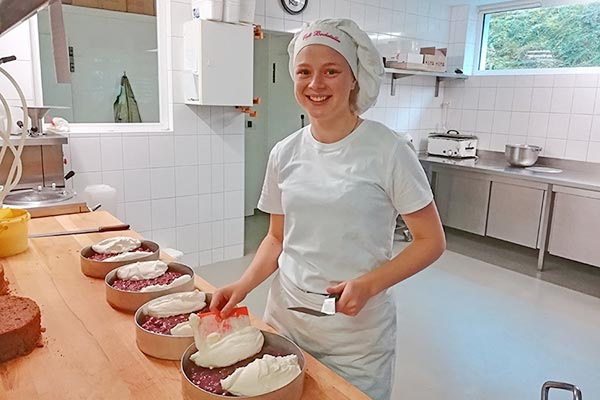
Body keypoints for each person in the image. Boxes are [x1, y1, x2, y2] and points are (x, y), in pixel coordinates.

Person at [210, 19, 446, 400]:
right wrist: (243, 285)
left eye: (331, 71)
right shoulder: (284, 153)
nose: (315, 84)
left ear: (354, 79)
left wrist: (369, 284)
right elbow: (276, 238)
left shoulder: (389, 150)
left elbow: (431, 241)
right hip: (286, 319)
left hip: (355, 336)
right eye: (304, 72)